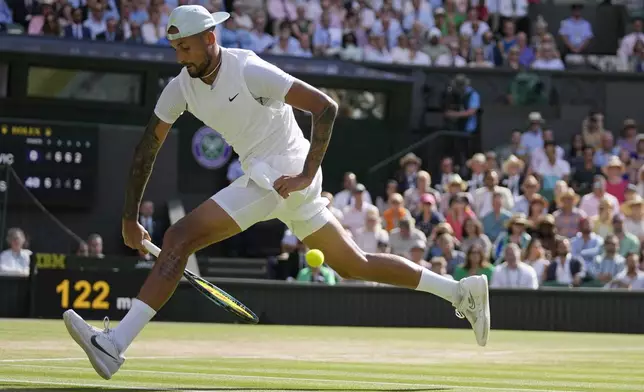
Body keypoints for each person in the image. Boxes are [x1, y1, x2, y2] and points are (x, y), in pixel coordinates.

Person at [62, 6, 490, 381]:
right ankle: (459, 291)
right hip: (274, 178)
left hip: (283, 174)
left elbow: (325, 107)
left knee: (178, 239)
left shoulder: (249, 69)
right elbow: (145, 149)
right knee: (351, 263)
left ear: (211, 38)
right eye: (176, 50)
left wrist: (306, 174)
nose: (181, 57)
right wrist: (128, 217)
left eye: (187, 48)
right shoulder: (181, 87)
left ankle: (115, 344)